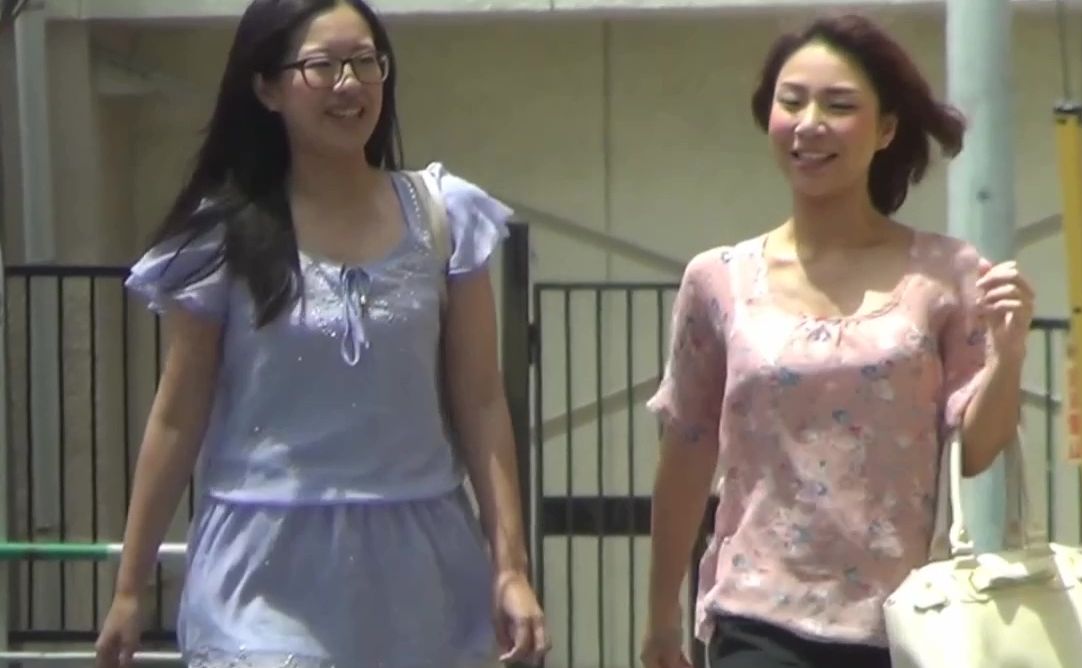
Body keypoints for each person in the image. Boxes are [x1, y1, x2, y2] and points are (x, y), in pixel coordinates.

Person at [92, 1, 548, 666]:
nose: (349, 83)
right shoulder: (222, 235)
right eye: (323, 66)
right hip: (262, 567)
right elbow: (177, 413)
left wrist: (511, 568)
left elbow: (480, 400)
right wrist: (130, 587)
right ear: (266, 88)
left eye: (366, 61)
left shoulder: (443, 216)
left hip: (419, 570)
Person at [640, 13, 1034, 668]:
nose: (810, 123)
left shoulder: (946, 274)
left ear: (885, 130)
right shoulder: (718, 280)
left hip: (904, 622)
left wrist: (1009, 354)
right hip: (755, 616)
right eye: (791, 101)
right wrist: (660, 620)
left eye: (839, 105)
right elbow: (687, 448)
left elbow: (976, 450)